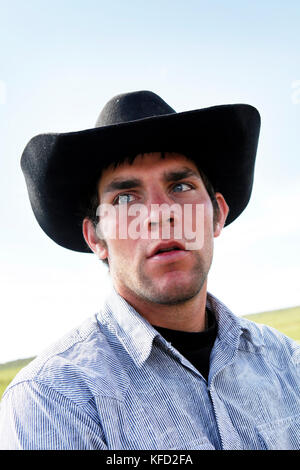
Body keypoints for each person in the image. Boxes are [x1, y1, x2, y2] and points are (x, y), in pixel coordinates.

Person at [0, 91, 299, 450]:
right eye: (125, 198)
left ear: (218, 214)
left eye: (181, 186)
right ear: (96, 237)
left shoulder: (288, 362)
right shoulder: (52, 401)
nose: (160, 214)